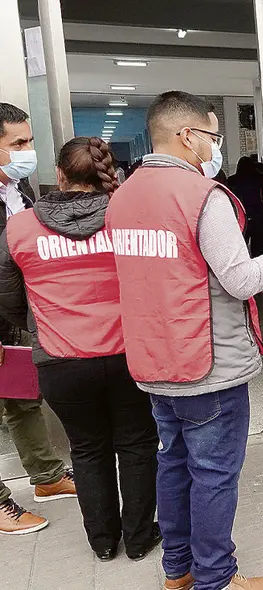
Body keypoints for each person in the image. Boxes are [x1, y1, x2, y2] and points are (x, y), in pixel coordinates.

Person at [106, 91, 263, 590]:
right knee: (213, 474)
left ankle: (177, 570)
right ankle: (217, 578)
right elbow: (240, 279)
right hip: (207, 364)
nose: (215, 147)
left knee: (173, 465)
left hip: (154, 360)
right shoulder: (203, 197)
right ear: (187, 136)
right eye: (214, 136)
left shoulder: (124, 195)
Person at [0, 137, 160, 560]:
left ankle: (103, 543)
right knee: (137, 444)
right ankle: (141, 538)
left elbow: (10, 297)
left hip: (60, 360)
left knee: (86, 449)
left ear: (60, 174)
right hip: (130, 356)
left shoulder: (18, 228)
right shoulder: (129, 219)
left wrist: (37, 325)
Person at [0, 102, 76, 536]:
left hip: (14, 313)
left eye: (29, 140)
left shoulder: (20, 188)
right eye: (18, 143)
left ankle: (47, 478)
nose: (29, 150)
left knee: (23, 398)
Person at [227, 156, 263, 257]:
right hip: (258, 215)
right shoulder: (257, 179)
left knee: (241, 246)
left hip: (241, 215)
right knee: (257, 247)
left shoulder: (231, 180)